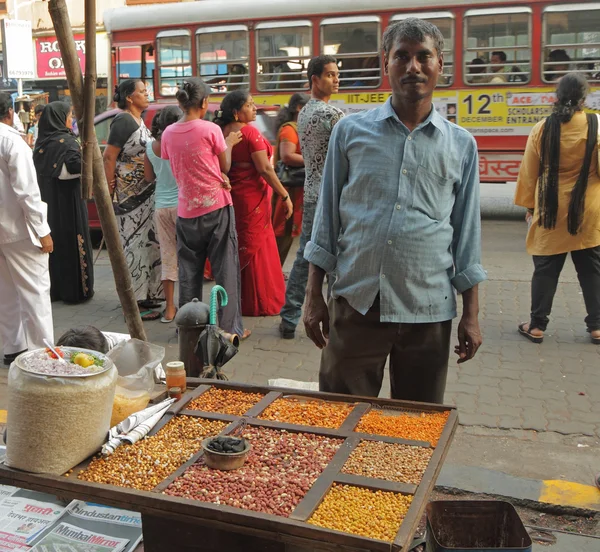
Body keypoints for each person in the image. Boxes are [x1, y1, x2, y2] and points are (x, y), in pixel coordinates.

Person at [303, 18, 486, 403]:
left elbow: (466, 235)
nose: (413, 67)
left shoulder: (461, 145)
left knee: (413, 433)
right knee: (338, 419)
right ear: (386, 63)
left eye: (423, 57)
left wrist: (471, 314)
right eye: (401, 56)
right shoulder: (350, 132)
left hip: (428, 311)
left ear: (440, 65)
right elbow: (327, 219)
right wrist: (313, 293)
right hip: (357, 303)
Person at [515, 73, 600, 345]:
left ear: (556, 97)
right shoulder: (596, 125)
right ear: (584, 98)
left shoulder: (542, 128)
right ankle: (597, 327)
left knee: (546, 269)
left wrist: (530, 206)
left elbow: (530, 173)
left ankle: (537, 326)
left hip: (551, 209)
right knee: (591, 270)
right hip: (588, 209)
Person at [161, 78, 249, 338]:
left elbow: (174, 161)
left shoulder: (167, 133)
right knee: (225, 270)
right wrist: (230, 143)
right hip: (216, 206)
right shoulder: (210, 130)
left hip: (186, 210)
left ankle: (190, 328)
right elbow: (224, 167)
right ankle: (228, 328)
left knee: (189, 273)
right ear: (204, 103)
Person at [279, 56, 344, 339]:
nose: (336, 79)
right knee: (336, 262)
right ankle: (336, 320)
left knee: (305, 259)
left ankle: (289, 317)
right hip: (331, 197)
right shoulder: (331, 115)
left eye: (337, 74)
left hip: (312, 193)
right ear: (314, 79)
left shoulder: (303, 112)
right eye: (330, 75)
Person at [215, 90, 293, 317]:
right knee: (257, 247)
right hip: (253, 199)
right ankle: (260, 302)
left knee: (239, 244)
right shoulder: (250, 133)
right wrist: (284, 195)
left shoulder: (222, 132)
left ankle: (238, 301)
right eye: (249, 105)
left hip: (234, 198)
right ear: (236, 113)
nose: (254, 108)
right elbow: (266, 169)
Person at [0, 92, 54, 365]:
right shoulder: (10, 141)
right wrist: (42, 230)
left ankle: (14, 349)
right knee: (35, 293)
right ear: (10, 113)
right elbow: (27, 193)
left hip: (7, 229)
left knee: (6, 293)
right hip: (19, 229)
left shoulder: (10, 140)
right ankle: (43, 356)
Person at [103, 79, 163, 321]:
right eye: (141, 91)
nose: (146, 94)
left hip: (147, 194)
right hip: (130, 198)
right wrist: (108, 191)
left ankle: (149, 293)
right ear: (129, 97)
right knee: (134, 246)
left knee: (150, 244)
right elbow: (109, 157)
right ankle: (134, 303)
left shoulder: (138, 121)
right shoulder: (123, 120)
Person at [33, 102, 94, 304]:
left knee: (56, 245)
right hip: (69, 202)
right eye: (69, 116)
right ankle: (75, 291)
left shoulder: (41, 143)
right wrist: (88, 157)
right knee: (72, 243)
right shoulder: (67, 142)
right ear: (60, 118)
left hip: (48, 203)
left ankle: (55, 290)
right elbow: (71, 170)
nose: (71, 120)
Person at [144, 106, 182, 323]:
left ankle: (169, 308)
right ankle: (189, 304)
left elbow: (149, 178)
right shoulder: (180, 144)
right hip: (183, 205)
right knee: (187, 256)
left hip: (161, 206)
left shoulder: (150, 147)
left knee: (167, 256)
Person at [272, 93, 309, 265]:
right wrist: (315, 160)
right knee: (283, 232)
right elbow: (287, 156)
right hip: (289, 189)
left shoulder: (299, 127)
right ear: (300, 108)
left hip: (298, 188)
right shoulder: (290, 129)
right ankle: (273, 270)